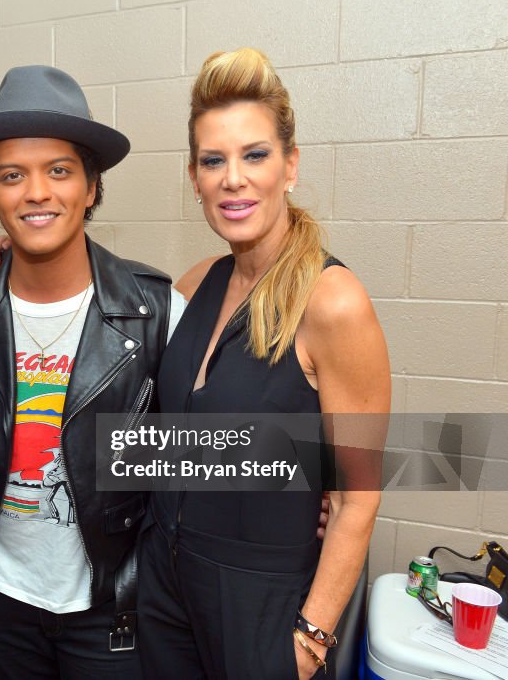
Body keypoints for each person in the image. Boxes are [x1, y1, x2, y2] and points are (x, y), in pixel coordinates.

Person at [138, 48, 389, 679]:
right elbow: (98, 307)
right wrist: (17, 249)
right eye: (213, 160)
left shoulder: (332, 302)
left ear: (290, 166)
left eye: (255, 155)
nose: (233, 178)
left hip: (262, 604)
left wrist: (311, 640)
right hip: (166, 589)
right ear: (193, 176)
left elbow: (357, 497)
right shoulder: (197, 285)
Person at [0, 65, 184, 679]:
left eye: (59, 171)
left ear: (92, 188)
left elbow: (197, 452)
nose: (36, 193)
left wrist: (299, 486)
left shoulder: (153, 310)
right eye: (12, 176)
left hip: (112, 606)